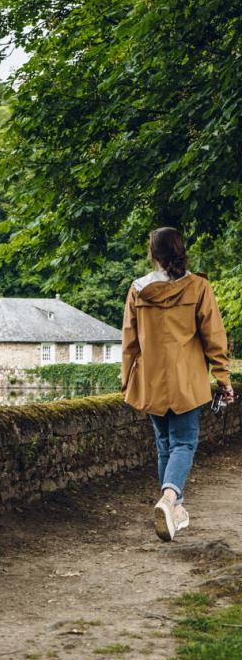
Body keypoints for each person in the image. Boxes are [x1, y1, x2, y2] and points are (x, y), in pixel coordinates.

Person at [121, 227, 235, 541]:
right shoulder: (198, 286)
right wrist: (223, 377)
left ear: (153, 254)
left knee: (165, 448)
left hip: (151, 381)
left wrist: (126, 379)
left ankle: (176, 513)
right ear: (180, 251)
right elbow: (214, 337)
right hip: (187, 382)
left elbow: (130, 341)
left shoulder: (137, 289)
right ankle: (169, 499)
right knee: (183, 444)